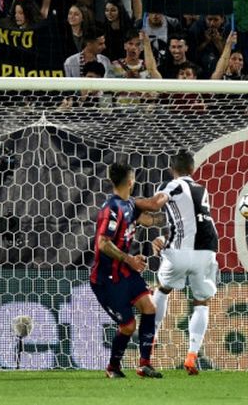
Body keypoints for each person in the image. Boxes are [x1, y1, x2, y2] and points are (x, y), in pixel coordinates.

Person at [135, 151, 219, 375]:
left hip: (180, 252)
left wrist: (130, 204)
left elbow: (156, 205)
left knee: (162, 290)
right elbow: (181, 218)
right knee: (202, 302)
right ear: (193, 169)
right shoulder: (202, 190)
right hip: (207, 251)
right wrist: (163, 236)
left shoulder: (173, 185)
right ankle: (191, 356)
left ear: (173, 170)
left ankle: (149, 344)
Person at [90, 162, 162, 379]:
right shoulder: (111, 209)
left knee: (149, 307)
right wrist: (129, 259)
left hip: (125, 272)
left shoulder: (129, 204)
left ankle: (145, 364)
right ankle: (113, 367)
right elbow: (102, 243)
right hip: (107, 279)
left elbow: (150, 219)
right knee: (128, 326)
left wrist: (179, 214)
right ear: (131, 181)